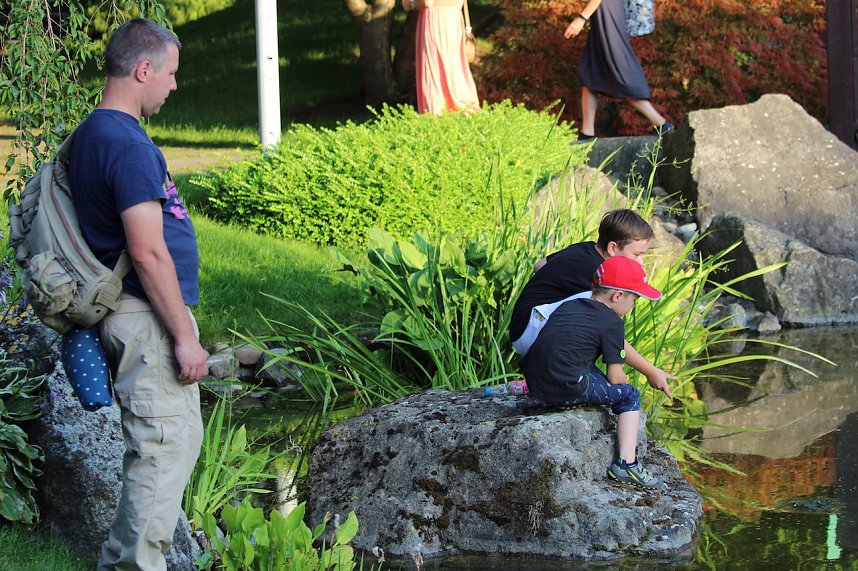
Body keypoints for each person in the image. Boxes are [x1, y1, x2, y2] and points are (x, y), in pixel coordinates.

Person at [67, 18, 208, 570]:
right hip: (143, 317)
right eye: (170, 74)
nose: (173, 86)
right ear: (143, 69)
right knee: (164, 449)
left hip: (130, 312)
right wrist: (184, 336)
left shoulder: (93, 132)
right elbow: (147, 253)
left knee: (156, 449)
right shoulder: (125, 144)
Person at [521, 256, 673, 487]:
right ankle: (627, 464)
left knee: (585, 368)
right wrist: (623, 381)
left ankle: (547, 397)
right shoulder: (612, 323)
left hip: (536, 382)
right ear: (618, 296)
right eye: (634, 299)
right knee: (630, 395)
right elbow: (615, 377)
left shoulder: (569, 305)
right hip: (566, 386)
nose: (633, 306)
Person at [564, 0, 671, 139]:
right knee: (590, 70)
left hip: (608, 10)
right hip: (601, 13)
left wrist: (582, 18)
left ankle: (661, 124)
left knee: (621, 70)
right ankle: (587, 133)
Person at [403, 0, 480, 115]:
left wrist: (410, 4)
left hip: (435, 22)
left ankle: (436, 115)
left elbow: (427, 2)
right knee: (455, 69)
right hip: (454, 20)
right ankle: (467, 110)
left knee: (433, 70)